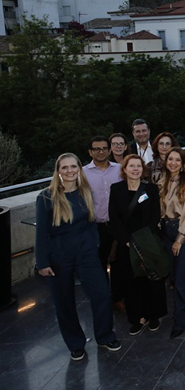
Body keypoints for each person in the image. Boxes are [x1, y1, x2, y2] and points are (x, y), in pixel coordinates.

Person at [35, 153, 121, 361]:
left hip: (86, 255)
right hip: (59, 258)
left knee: (102, 295)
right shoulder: (46, 197)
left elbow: (91, 221)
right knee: (64, 303)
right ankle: (75, 344)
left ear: (79, 169)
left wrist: (94, 244)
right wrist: (42, 262)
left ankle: (105, 336)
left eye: (73, 166)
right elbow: (41, 233)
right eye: (64, 167)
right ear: (58, 171)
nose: (70, 171)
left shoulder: (85, 192)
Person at [109, 154, 167, 336]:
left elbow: (155, 215)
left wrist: (143, 240)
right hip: (126, 243)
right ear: (124, 169)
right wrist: (127, 240)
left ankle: (153, 315)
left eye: (138, 166)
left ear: (143, 169)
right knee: (132, 281)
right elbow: (114, 218)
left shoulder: (150, 189)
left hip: (147, 241)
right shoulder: (116, 189)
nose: (135, 169)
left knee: (151, 278)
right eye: (131, 166)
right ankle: (138, 317)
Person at [158, 147, 185, 338]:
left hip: (182, 232)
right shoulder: (161, 182)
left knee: (181, 278)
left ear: (182, 164)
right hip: (165, 231)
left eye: (177, 160)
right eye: (170, 159)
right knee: (174, 274)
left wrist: (180, 239)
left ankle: (181, 320)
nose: (173, 163)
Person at [84, 137, 123, 312]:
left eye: (104, 148)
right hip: (95, 226)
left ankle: (118, 298)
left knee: (118, 264)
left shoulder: (119, 170)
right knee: (98, 265)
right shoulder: (83, 174)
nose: (101, 152)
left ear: (109, 150)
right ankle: (103, 301)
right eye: (96, 149)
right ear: (90, 152)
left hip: (116, 225)